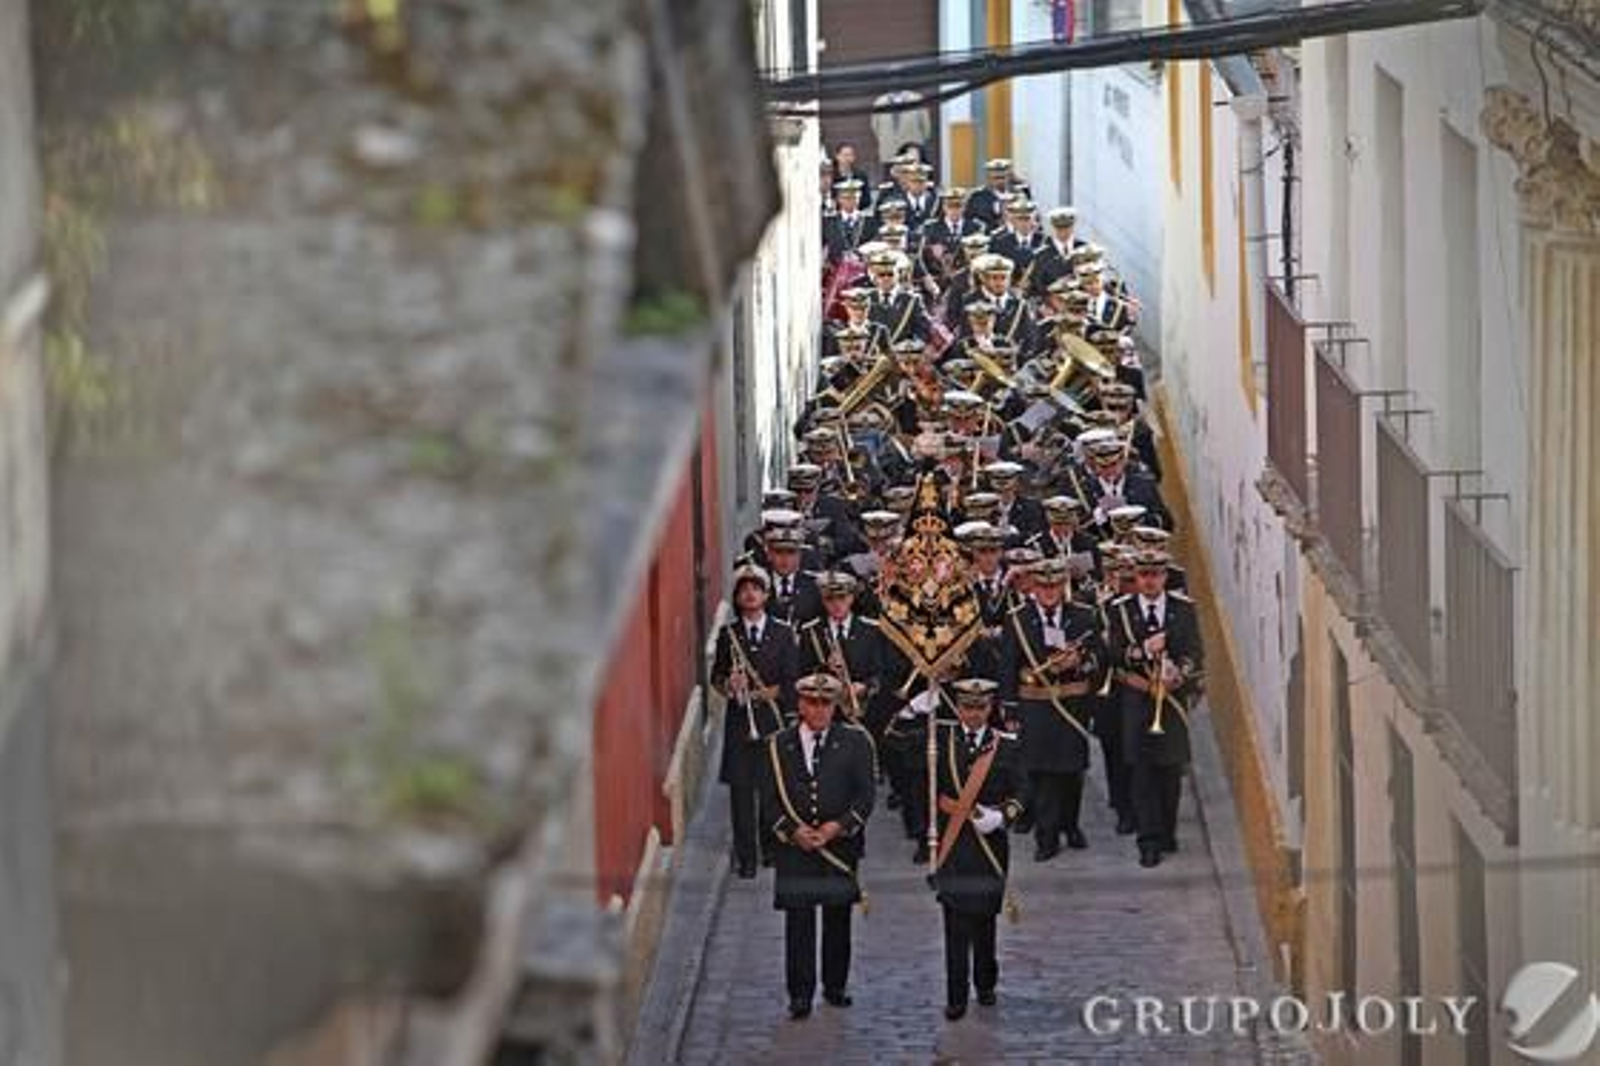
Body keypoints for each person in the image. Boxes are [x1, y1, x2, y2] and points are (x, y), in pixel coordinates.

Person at [761, 673, 876, 1018]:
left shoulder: (856, 743)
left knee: (837, 920)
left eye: (826, 703)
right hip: (795, 851)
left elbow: (865, 796)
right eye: (813, 703)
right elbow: (767, 800)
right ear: (801, 704)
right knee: (799, 923)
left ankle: (835, 985)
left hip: (838, 849)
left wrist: (837, 827)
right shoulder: (778, 745)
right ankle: (800, 993)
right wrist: (792, 831)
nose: (820, 710)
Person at [1000, 555, 1107, 860]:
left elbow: (1101, 657)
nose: (1049, 592)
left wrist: (1080, 662)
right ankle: (1046, 838)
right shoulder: (1018, 619)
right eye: (1043, 586)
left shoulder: (1084, 616)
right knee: (1042, 772)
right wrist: (1009, 709)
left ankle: (1070, 825)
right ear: (1033, 586)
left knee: (1072, 771)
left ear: (1064, 585)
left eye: (1055, 585)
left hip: (1071, 704)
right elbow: (1008, 666)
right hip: (1035, 706)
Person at [930, 678, 1025, 1020]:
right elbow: (896, 744)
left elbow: (1021, 792)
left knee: (984, 921)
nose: (972, 714)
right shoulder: (939, 740)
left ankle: (985, 983)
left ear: (990, 708)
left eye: (980, 707)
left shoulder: (1007, 747)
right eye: (966, 707)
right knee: (954, 922)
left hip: (989, 845)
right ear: (957, 707)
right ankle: (956, 995)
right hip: (953, 844)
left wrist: (1002, 816)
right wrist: (915, 708)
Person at [1105, 548, 1205, 867]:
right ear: (1136, 576)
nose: (1149, 581)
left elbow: (1195, 652)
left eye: (1155, 574)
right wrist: (1142, 650)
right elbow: (1113, 655)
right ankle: (1147, 840)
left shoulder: (1183, 609)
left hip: (1171, 700)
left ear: (1164, 576)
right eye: (1143, 575)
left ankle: (1167, 831)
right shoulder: (1120, 610)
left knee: (1170, 769)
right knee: (1142, 771)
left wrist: (1181, 672)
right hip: (1137, 699)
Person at [710, 565, 798, 879]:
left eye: (756, 588)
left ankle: (771, 848)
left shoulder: (784, 633)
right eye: (743, 589)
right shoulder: (728, 635)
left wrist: (763, 693)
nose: (749, 593)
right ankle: (746, 856)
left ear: (766, 594)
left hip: (771, 720)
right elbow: (716, 679)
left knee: (771, 787)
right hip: (739, 723)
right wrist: (729, 685)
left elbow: (792, 680)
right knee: (741, 793)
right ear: (737, 597)